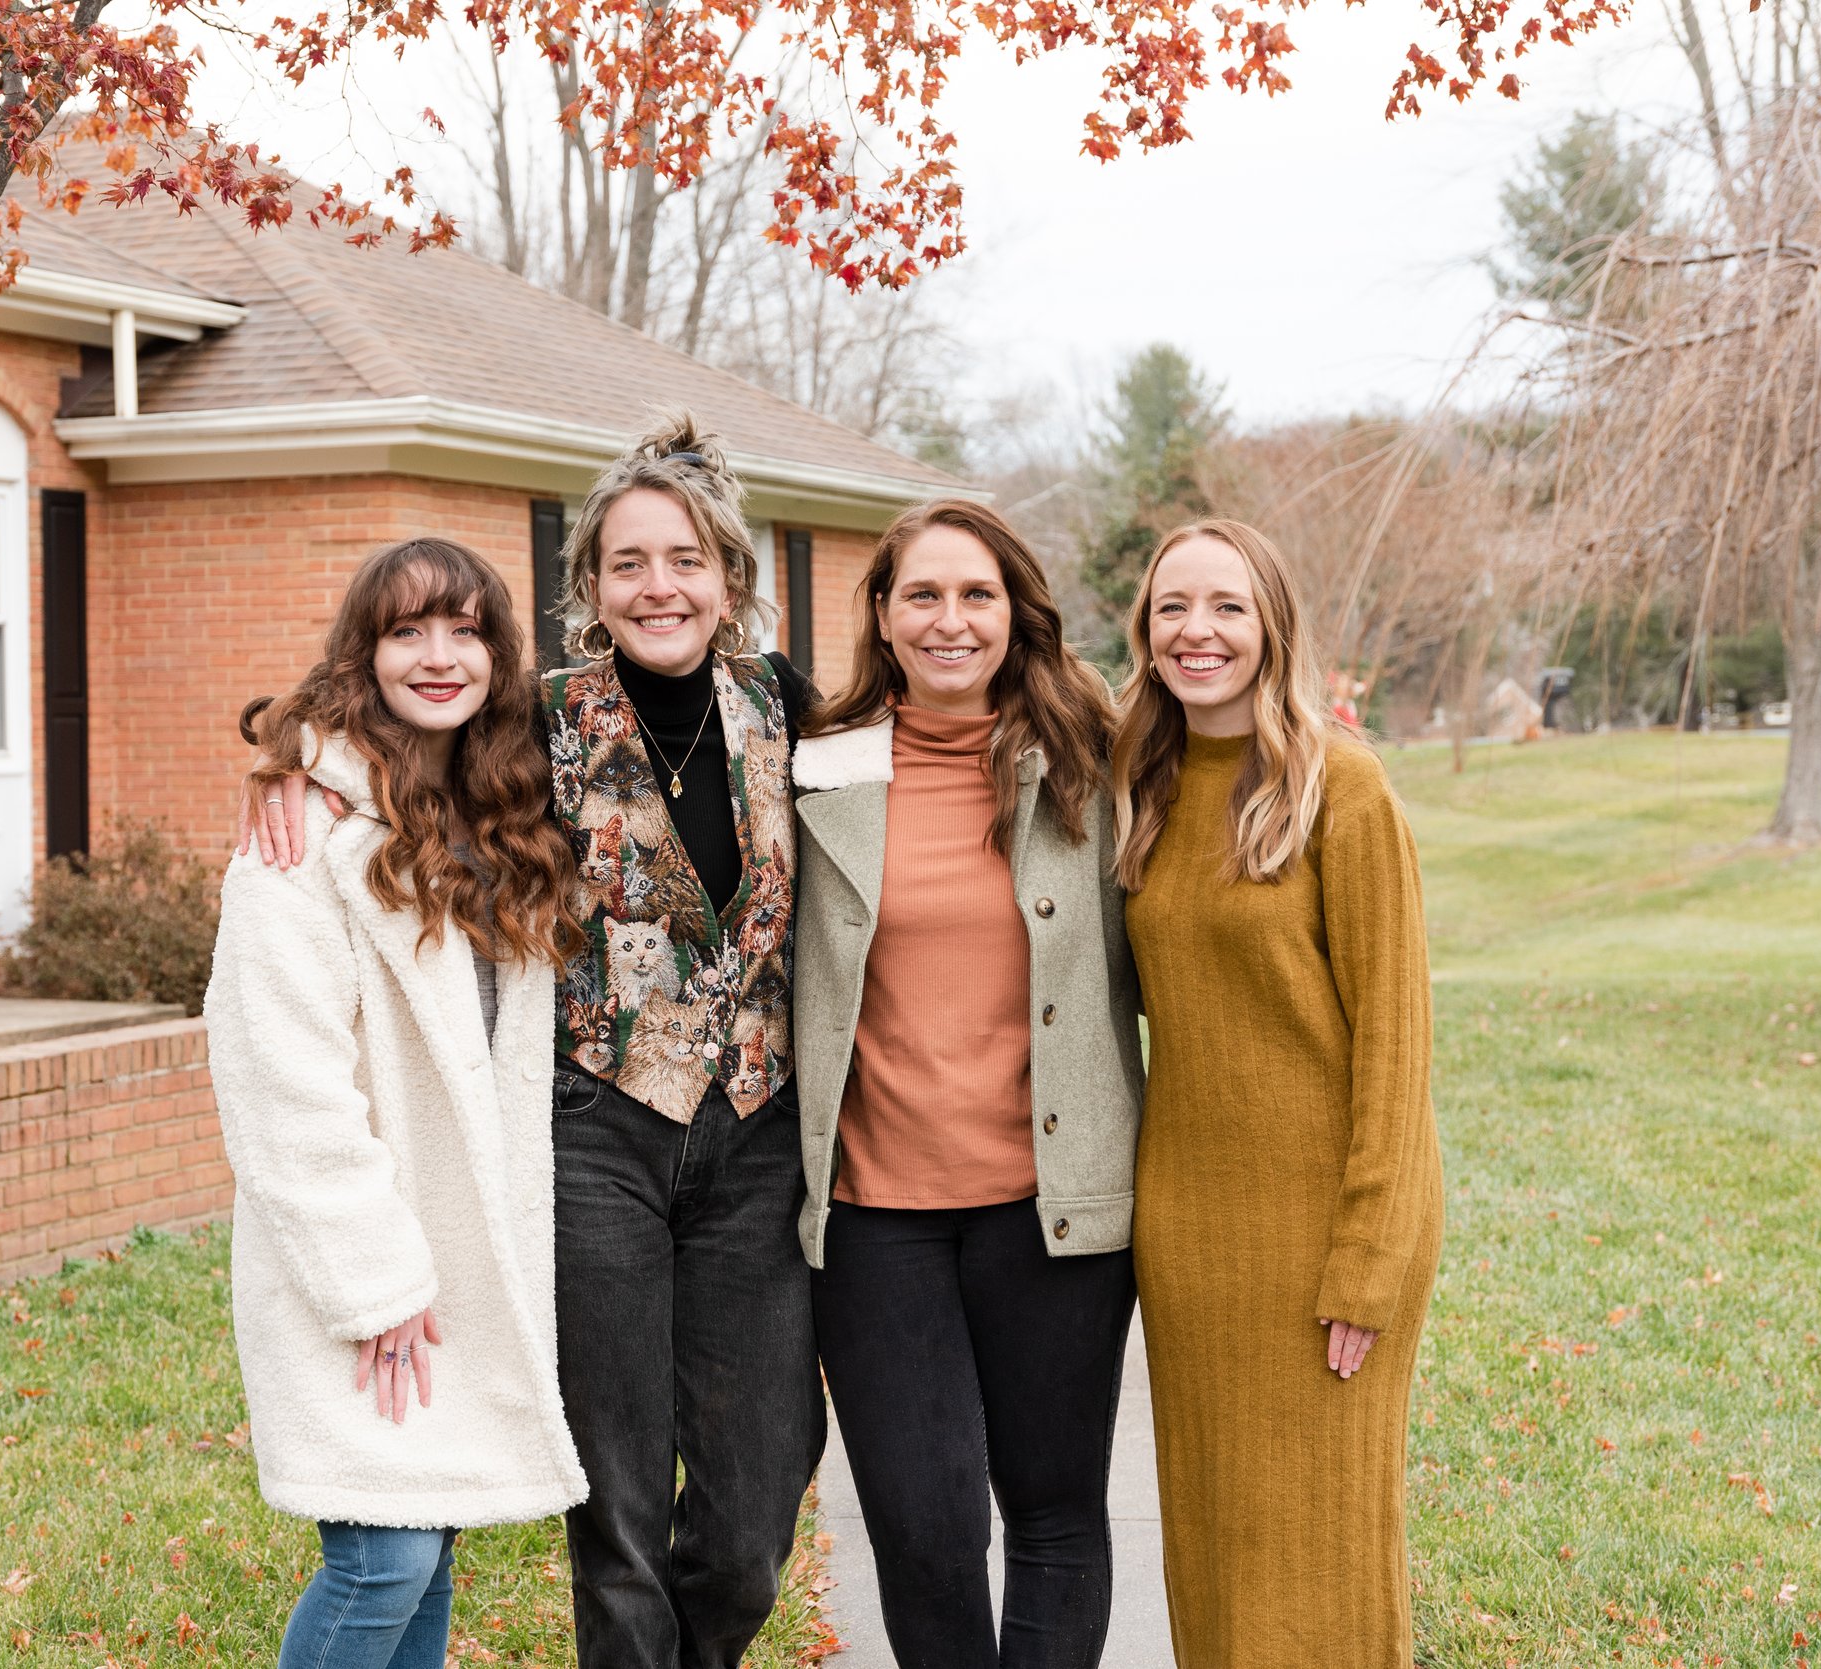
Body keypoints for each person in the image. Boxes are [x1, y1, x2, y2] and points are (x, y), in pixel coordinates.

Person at [239, 414, 822, 1669]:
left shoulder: (791, 710)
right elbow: (378, 744)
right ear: (590, 590)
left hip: (757, 1141)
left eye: (683, 559)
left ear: (729, 577)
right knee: (611, 1506)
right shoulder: (538, 725)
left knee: (748, 1513)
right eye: (625, 563)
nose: (656, 585)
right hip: (595, 1137)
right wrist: (289, 765)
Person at [205, 537, 589, 1669]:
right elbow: (280, 1075)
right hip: (359, 1258)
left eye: (465, 629)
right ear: (362, 653)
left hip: (467, 1248)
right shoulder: (300, 836)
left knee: (429, 1549)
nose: (438, 656)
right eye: (407, 631)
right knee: (383, 1563)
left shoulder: (505, 807)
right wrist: (372, 1282)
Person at [789, 499, 1146, 1669]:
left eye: (976, 594)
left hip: (1054, 1213)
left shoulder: (1096, 760)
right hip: (877, 1222)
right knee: (926, 1534)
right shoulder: (810, 765)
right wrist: (298, 749)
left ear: (1016, 614)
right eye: (923, 596)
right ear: (883, 617)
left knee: (1051, 1516)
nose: (951, 620)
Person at [1109, 519, 1443, 1667]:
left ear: (1272, 625)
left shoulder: (1340, 787)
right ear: (1144, 631)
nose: (1196, 631)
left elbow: (1395, 1045)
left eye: (1226, 607)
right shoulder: (1139, 785)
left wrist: (1370, 1256)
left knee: (1322, 1544)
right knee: (1211, 1539)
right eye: (1171, 609)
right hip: (1190, 1231)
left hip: (1324, 1235)